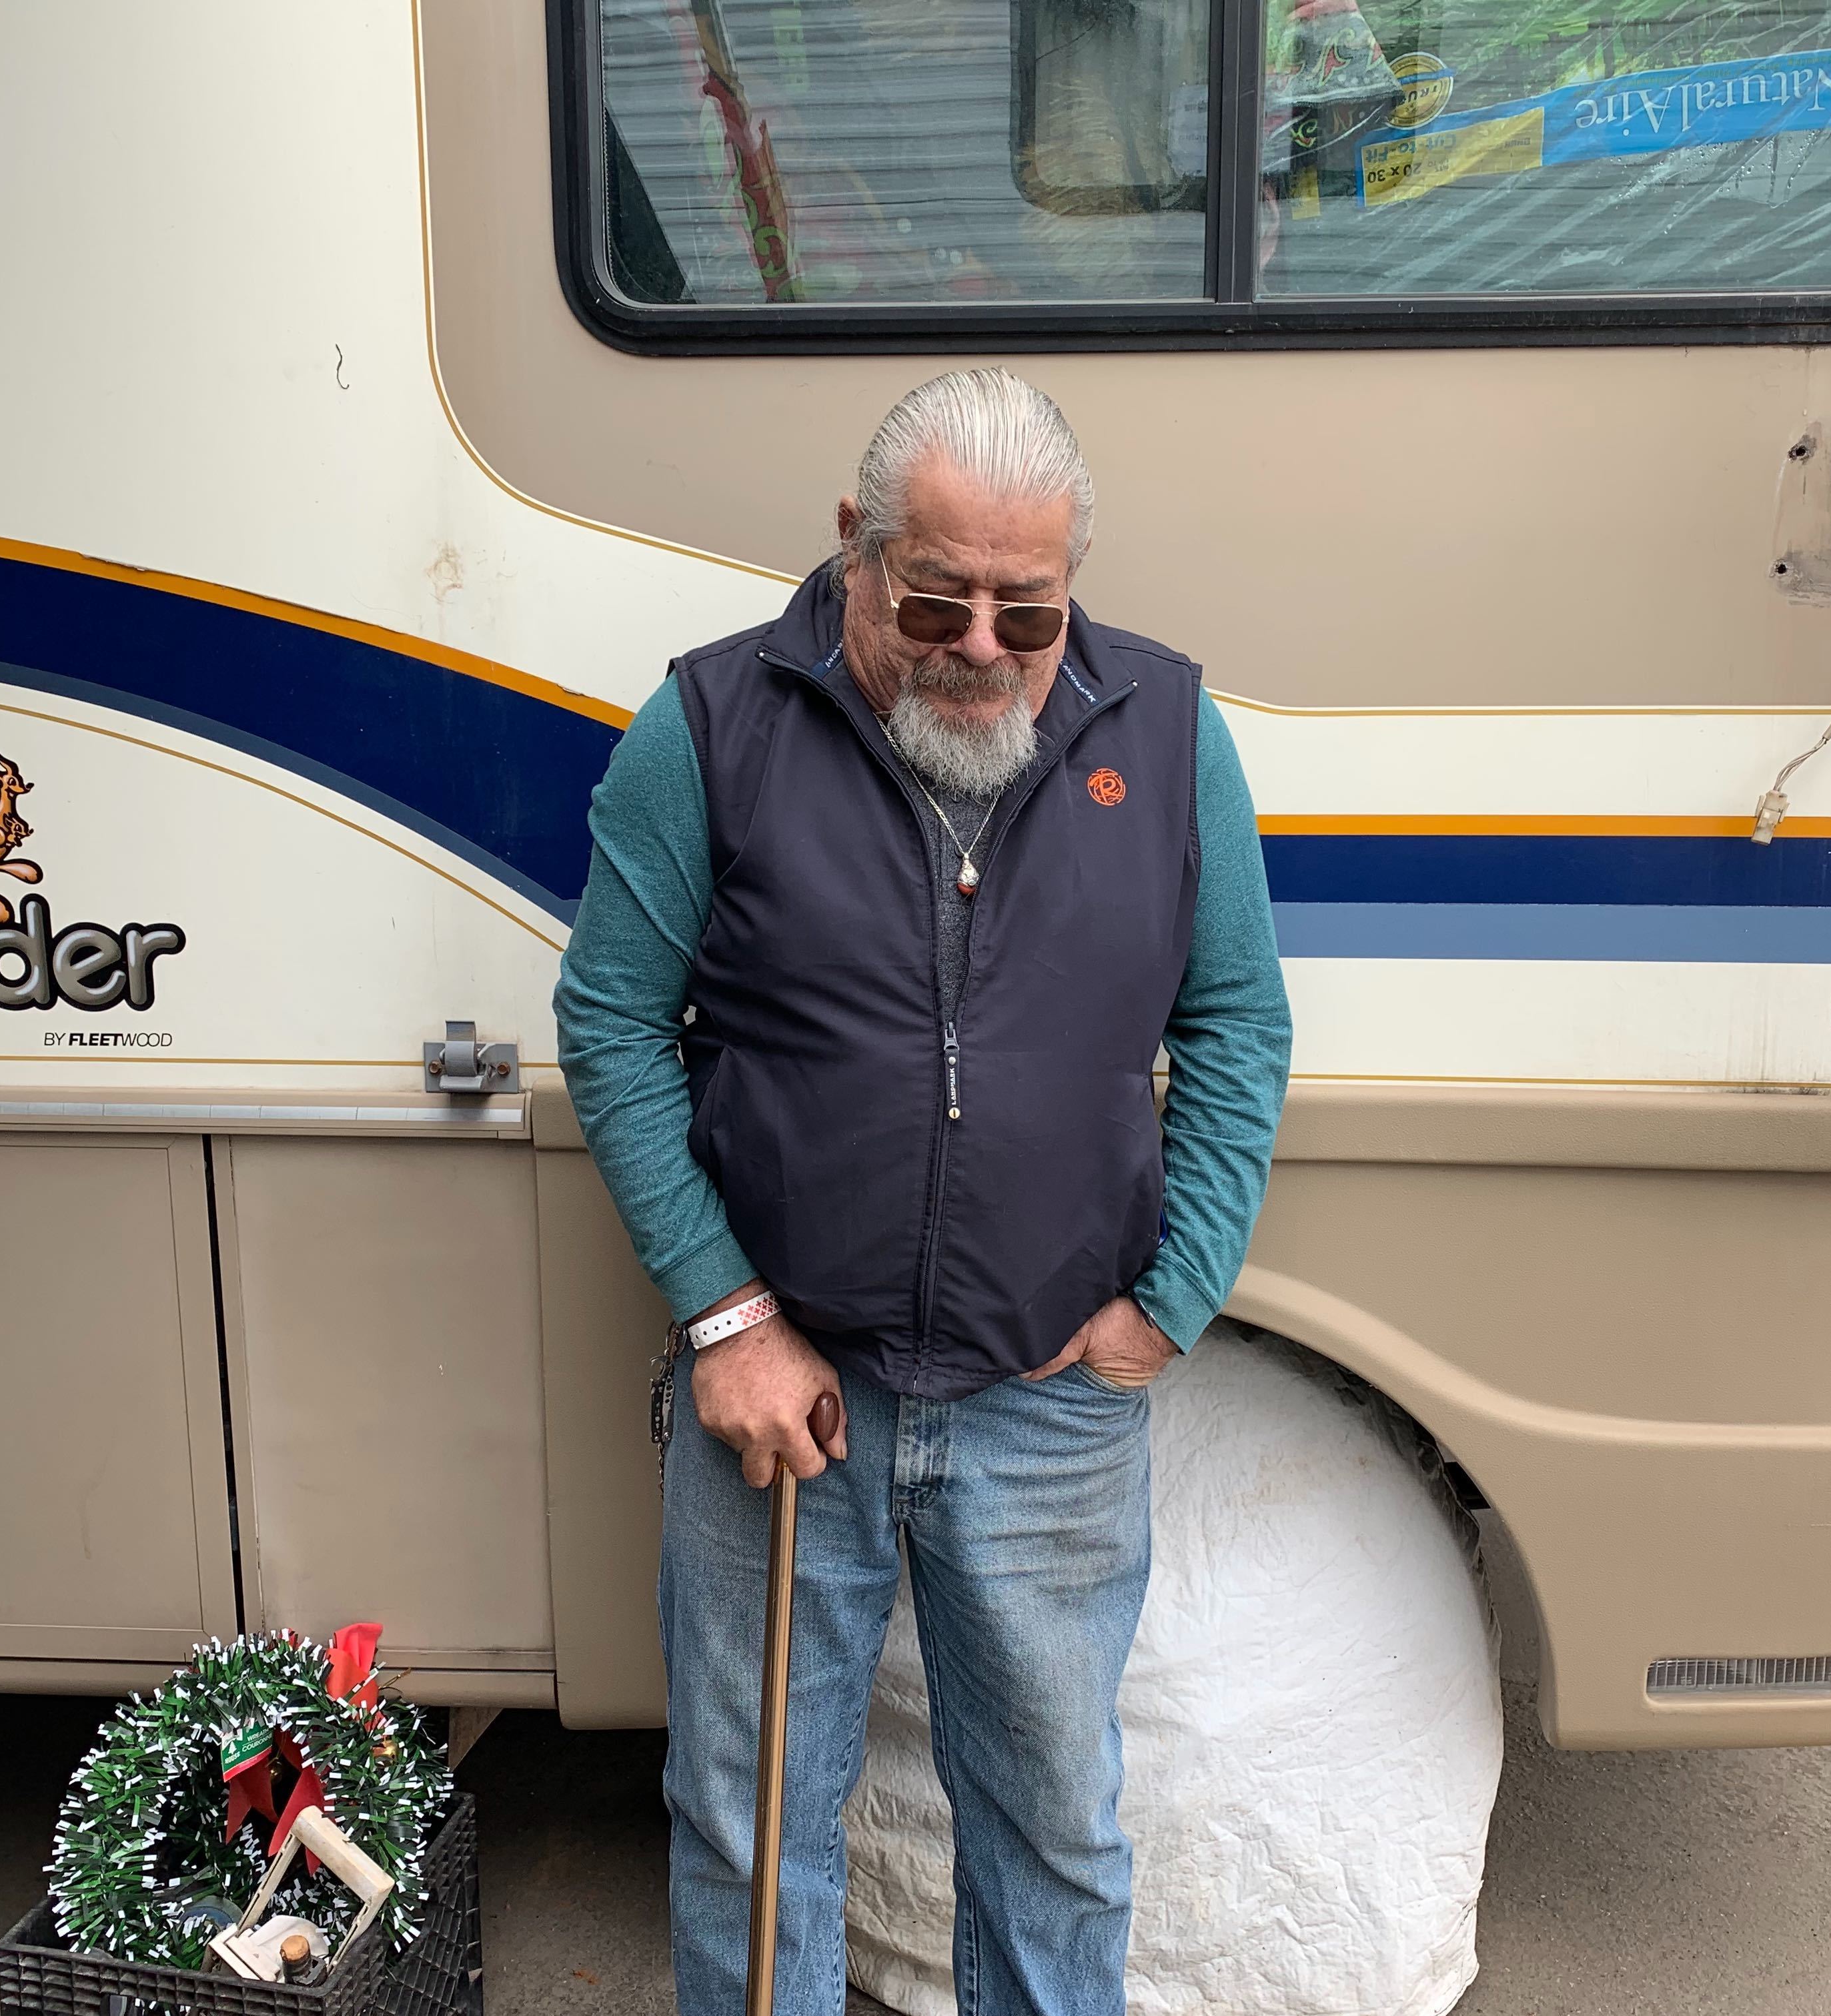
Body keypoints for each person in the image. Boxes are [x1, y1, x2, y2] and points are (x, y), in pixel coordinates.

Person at [553, 367, 1293, 2016]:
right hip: (784, 1391)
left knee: (1053, 1839)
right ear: (853, 543)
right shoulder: (710, 725)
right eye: (934, 598)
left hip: (1049, 1402)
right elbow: (608, 1019)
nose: (980, 647)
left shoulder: (1168, 730)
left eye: (1025, 613)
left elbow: (1237, 1021)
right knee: (751, 1830)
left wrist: (1170, 1294)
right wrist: (725, 1315)